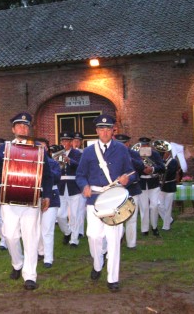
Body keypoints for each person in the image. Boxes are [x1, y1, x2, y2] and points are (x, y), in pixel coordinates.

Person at [0, 112, 52, 291]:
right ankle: (17, 263)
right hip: (9, 198)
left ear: (29, 128)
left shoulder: (38, 148)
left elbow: (47, 174)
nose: (23, 128)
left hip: (31, 199)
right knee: (10, 235)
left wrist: (47, 195)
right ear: (13, 129)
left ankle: (30, 275)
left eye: (26, 126)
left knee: (31, 237)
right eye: (19, 126)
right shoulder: (5, 147)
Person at [76, 114, 136, 292]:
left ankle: (112, 278)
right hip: (94, 199)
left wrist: (127, 179)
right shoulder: (88, 152)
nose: (104, 132)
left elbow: (132, 173)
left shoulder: (121, 149)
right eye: (101, 129)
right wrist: (84, 186)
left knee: (114, 239)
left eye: (108, 129)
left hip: (115, 199)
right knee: (93, 236)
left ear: (113, 131)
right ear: (96, 131)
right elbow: (80, 175)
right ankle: (97, 263)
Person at [114, 134, 144, 249]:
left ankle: (132, 244)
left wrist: (128, 158)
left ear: (127, 144)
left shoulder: (133, 154)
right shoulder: (112, 155)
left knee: (132, 218)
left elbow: (141, 167)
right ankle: (117, 239)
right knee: (118, 217)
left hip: (132, 189)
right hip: (117, 190)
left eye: (123, 144)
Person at [57, 131, 82, 247]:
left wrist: (69, 160)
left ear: (71, 142)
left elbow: (80, 165)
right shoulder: (59, 154)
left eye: (67, 141)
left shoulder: (76, 153)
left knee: (74, 214)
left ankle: (74, 240)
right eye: (63, 141)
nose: (65, 143)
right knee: (60, 215)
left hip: (73, 185)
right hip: (62, 185)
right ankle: (67, 232)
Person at [38, 145, 62, 268]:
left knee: (47, 229)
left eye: (43, 147)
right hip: (35, 197)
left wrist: (44, 169)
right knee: (37, 227)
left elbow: (57, 178)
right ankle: (40, 251)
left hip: (51, 197)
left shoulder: (53, 163)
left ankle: (48, 258)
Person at [137, 137, 165, 237]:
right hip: (142, 183)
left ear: (149, 145)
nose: (144, 147)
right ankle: (145, 229)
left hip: (153, 182)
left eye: (146, 145)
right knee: (144, 207)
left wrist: (152, 169)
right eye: (142, 145)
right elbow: (133, 167)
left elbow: (162, 167)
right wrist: (142, 170)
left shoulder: (155, 154)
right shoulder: (136, 154)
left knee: (154, 206)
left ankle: (154, 227)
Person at [157, 145, 178, 231]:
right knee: (158, 205)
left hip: (170, 186)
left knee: (168, 206)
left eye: (164, 152)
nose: (162, 154)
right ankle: (169, 220)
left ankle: (166, 226)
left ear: (168, 153)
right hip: (161, 186)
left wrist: (160, 169)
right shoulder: (162, 161)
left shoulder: (173, 161)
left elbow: (169, 173)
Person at [72, 132, 87, 239]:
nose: (76, 142)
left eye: (78, 141)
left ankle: (80, 231)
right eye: (75, 140)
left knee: (81, 209)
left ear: (81, 142)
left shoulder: (84, 153)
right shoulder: (67, 153)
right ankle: (71, 230)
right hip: (70, 184)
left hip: (80, 183)